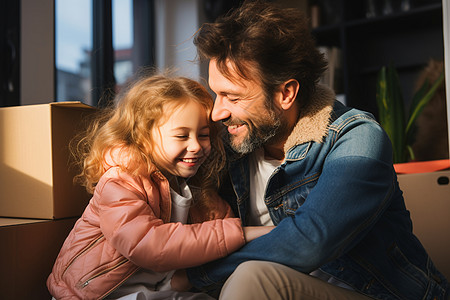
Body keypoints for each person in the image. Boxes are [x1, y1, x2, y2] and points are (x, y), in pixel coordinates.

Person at [178, 1, 450, 299]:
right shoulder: (230, 143)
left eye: (232, 97)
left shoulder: (357, 139)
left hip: (374, 294)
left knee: (252, 277)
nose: (217, 113)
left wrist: (195, 275)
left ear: (286, 93)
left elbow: (309, 241)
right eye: (216, 94)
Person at [47, 74, 273, 300]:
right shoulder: (120, 180)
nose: (196, 146)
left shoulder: (199, 191)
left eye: (203, 135)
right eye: (181, 136)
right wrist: (242, 232)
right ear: (143, 137)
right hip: (93, 295)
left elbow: (222, 238)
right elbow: (148, 245)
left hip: (156, 290)